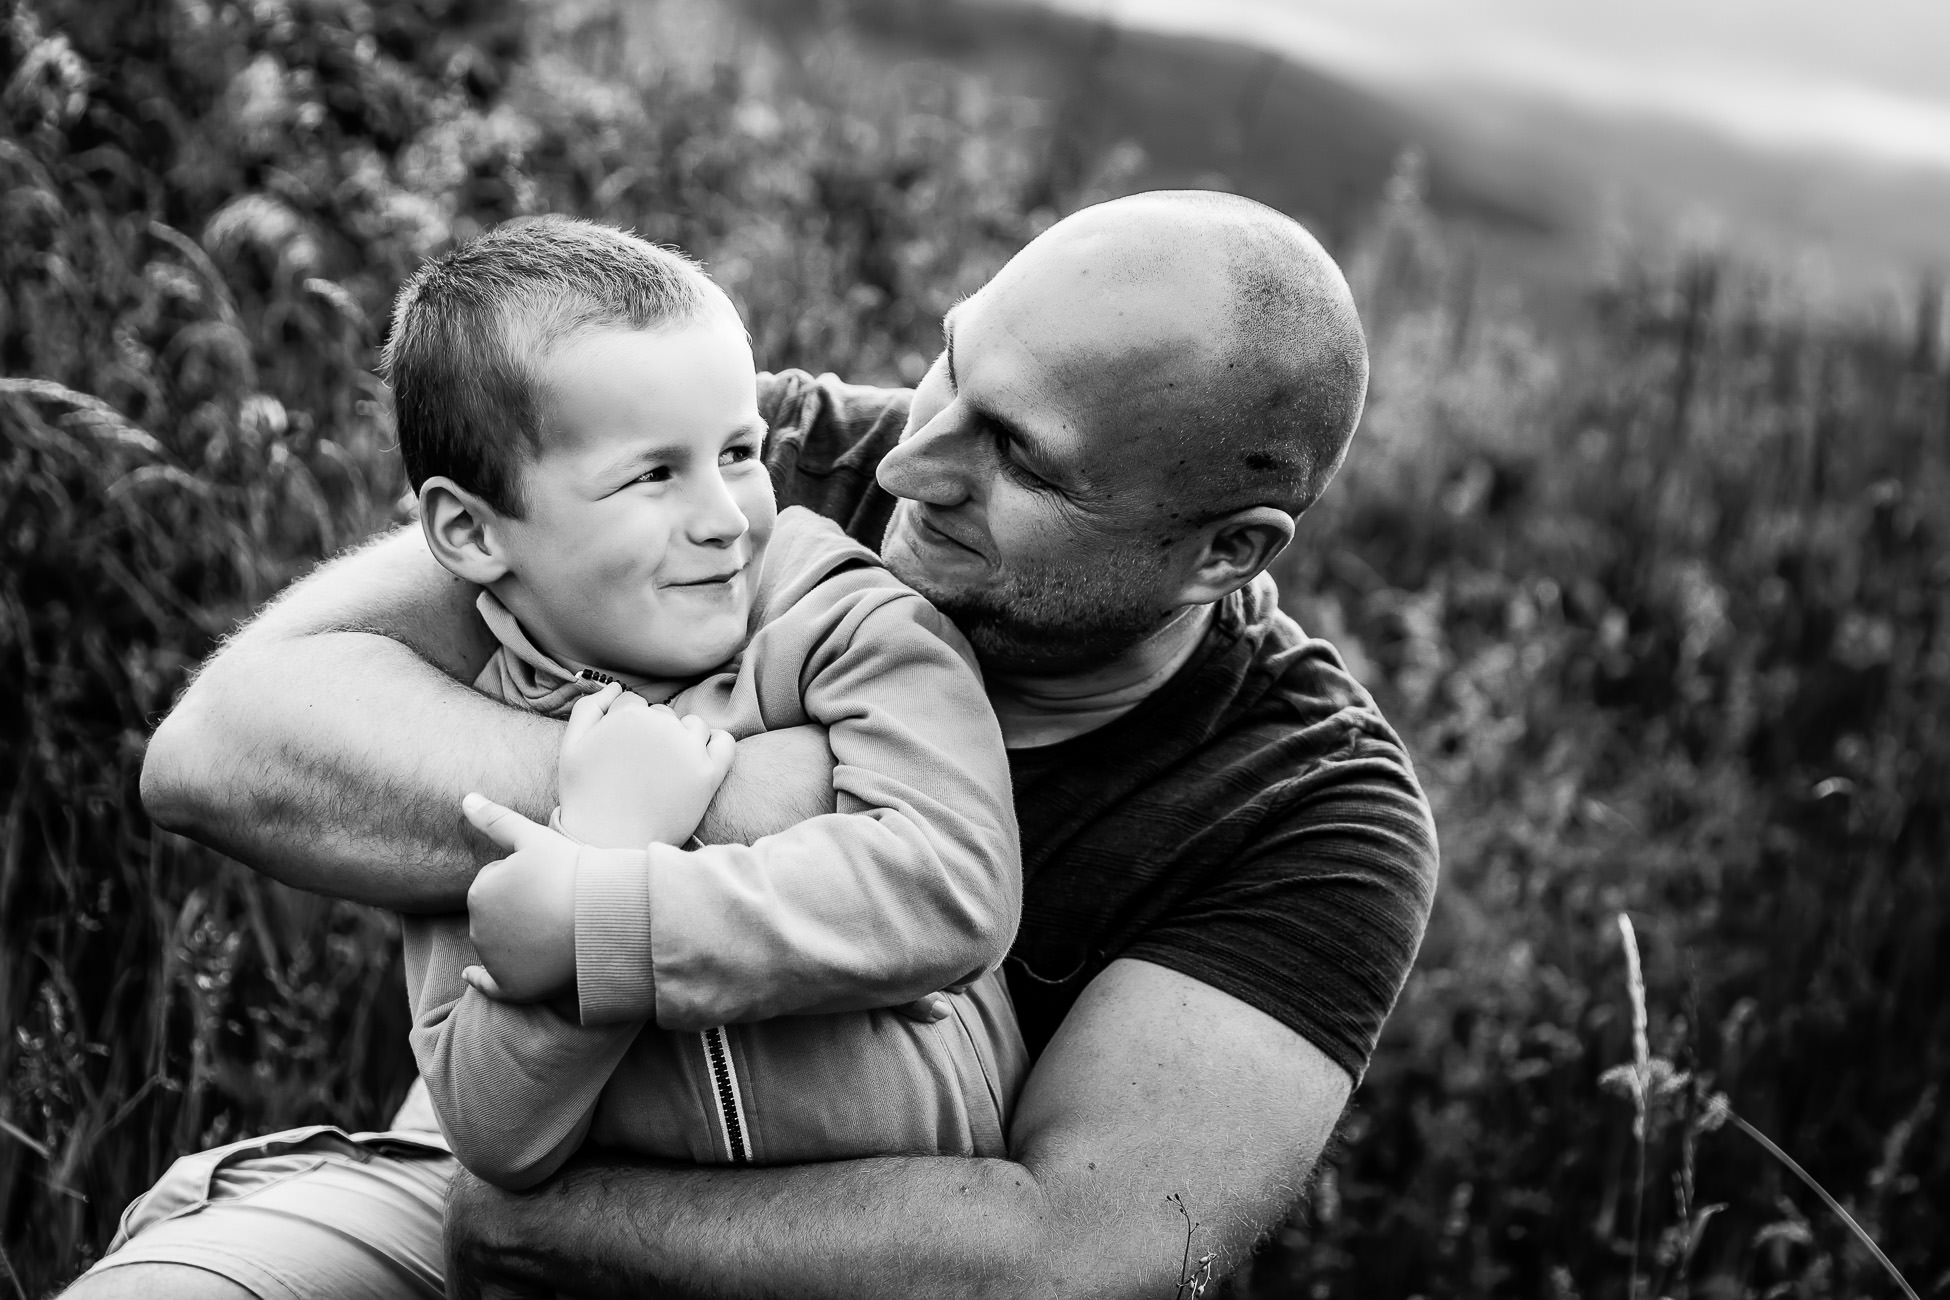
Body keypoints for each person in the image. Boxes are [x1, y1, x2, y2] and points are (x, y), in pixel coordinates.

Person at [73, 189, 1437, 1299]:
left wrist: (557, 1224)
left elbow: (1074, 1255)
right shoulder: (750, 459)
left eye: (1017, 458)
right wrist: (672, 797)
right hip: (472, 1173)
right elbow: (229, 747)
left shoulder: (1309, 807)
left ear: (1226, 552)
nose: (912, 463)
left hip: (589, 1224)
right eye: (950, 364)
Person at [384, 215, 1025, 1183]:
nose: (727, 520)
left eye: (739, 452)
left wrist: (605, 913)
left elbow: (953, 885)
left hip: (915, 1248)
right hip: (631, 1261)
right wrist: (595, 850)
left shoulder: (848, 618)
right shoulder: (469, 740)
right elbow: (494, 1132)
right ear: (472, 532)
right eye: (653, 474)